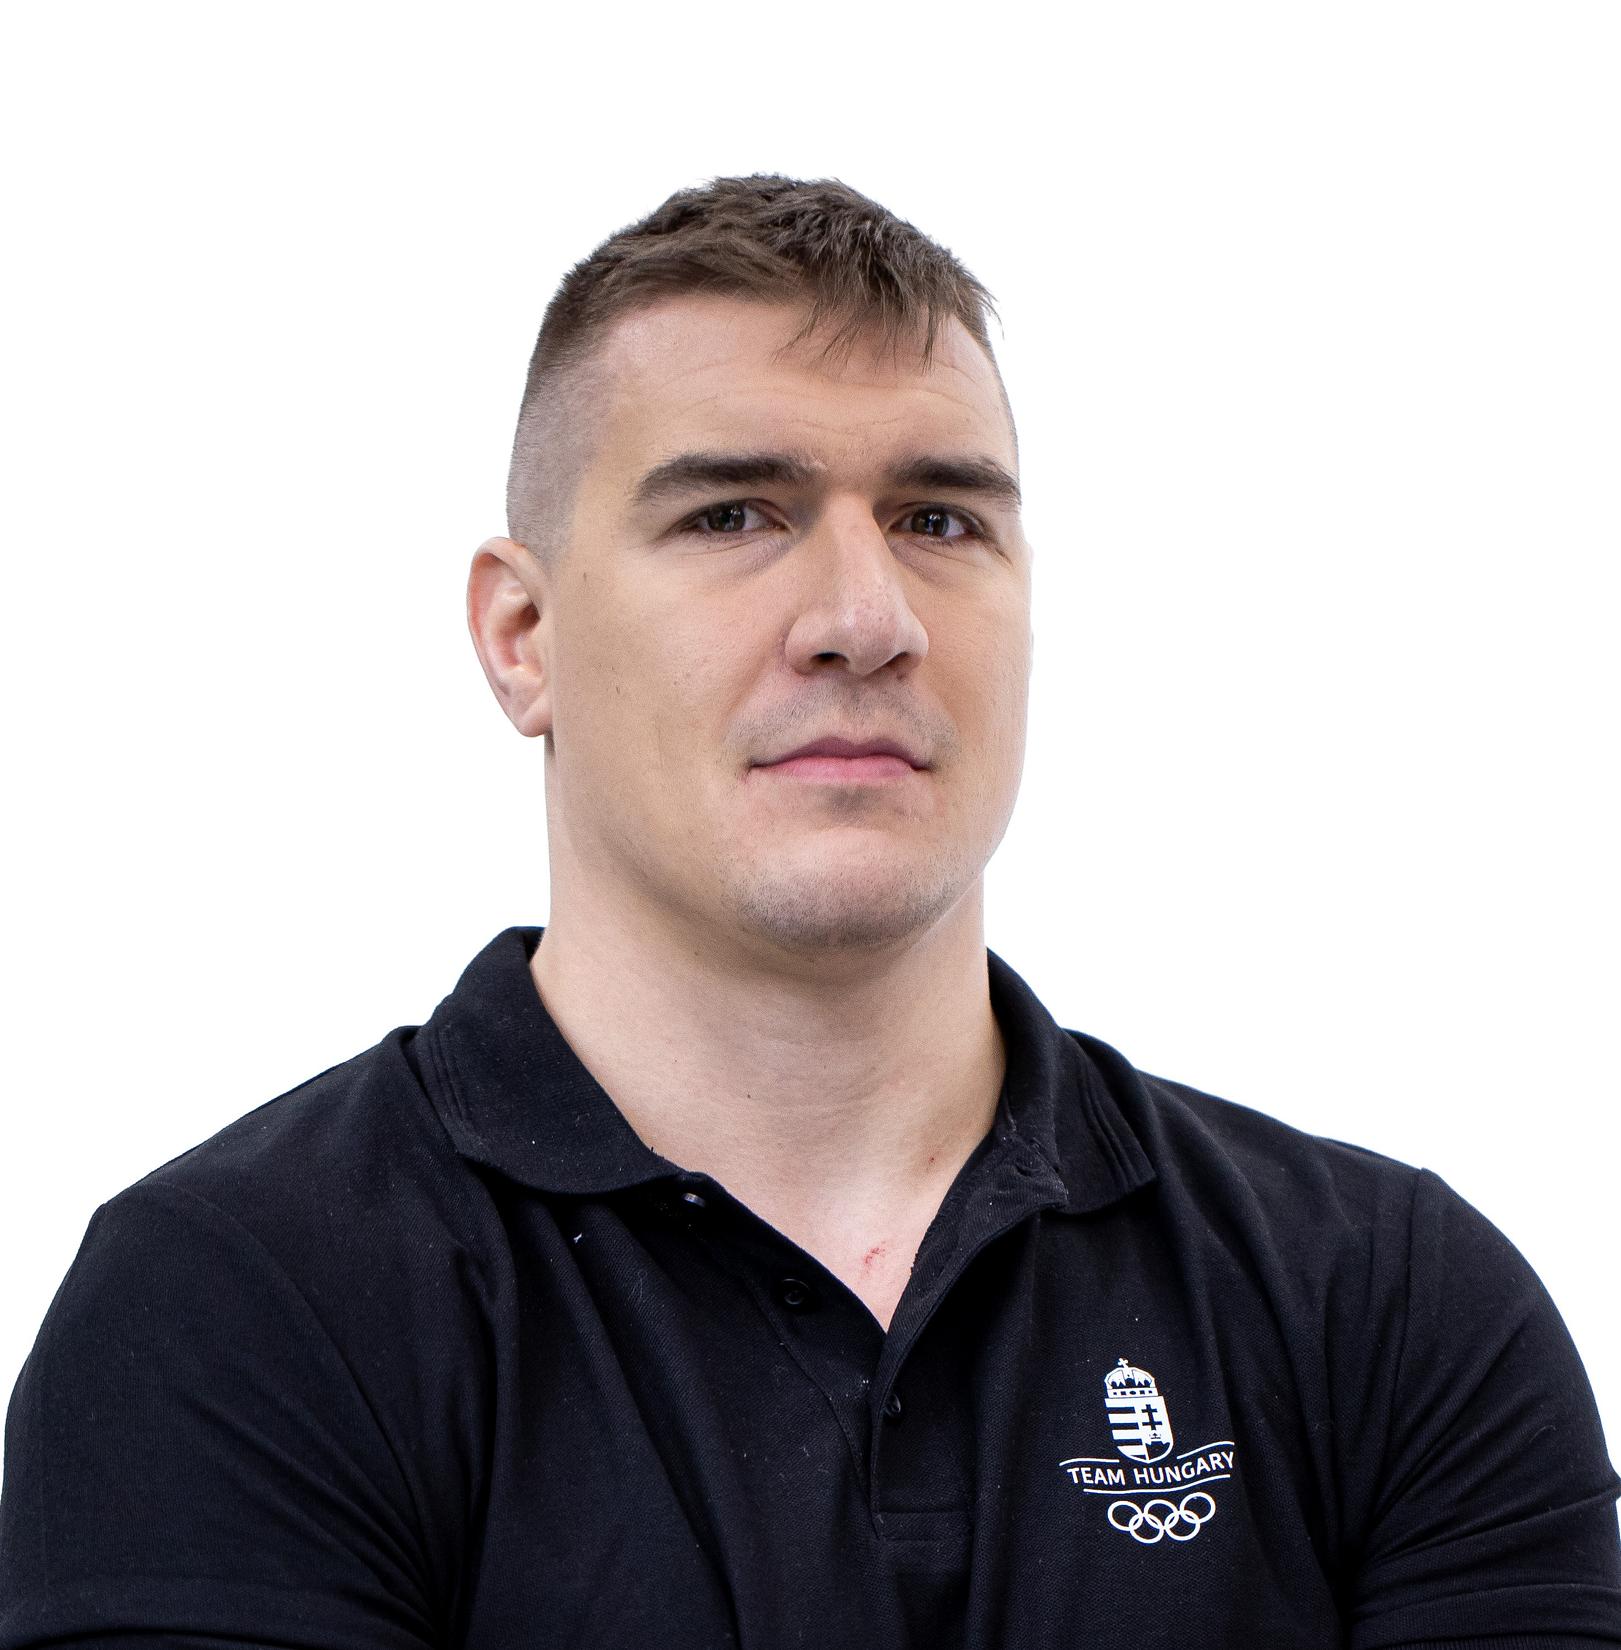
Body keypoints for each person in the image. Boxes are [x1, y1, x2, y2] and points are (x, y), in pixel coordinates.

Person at [1, 173, 1616, 1649]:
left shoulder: (1386, 1304)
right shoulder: (234, 1306)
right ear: (521, 636)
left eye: (939, 518)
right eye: (732, 514)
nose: (863, 616)